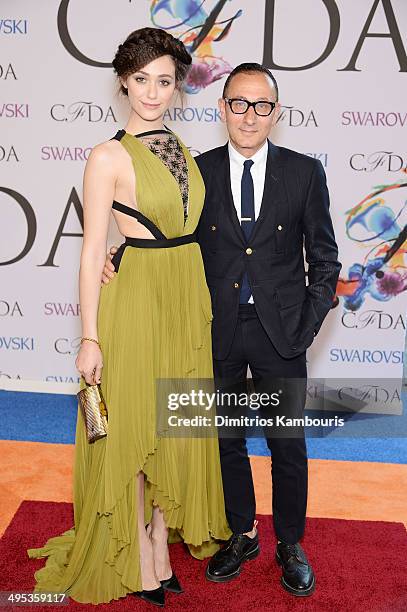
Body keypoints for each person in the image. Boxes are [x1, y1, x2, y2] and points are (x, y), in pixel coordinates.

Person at [103, 63, 341, 597]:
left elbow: (325, 260)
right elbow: (166, 229)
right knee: (224, 439)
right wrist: (120, 255)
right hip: (216, 327)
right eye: (239, 103)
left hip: (282, 332)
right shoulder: (198, 169)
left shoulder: (305, 172)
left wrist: (305, 327)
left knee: (287, 442)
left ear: (275, 112)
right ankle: (242, 532)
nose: (249, 115)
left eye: (261, 105)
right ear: (222, 108)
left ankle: (290, 543)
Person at [27, 27, 231, 607]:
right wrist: (89, 337)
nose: (152, 91)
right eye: (141, 79)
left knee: (172, 430)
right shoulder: (107, 155)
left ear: (178, 87)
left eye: (164, 81)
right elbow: (93, 251)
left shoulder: (182, 148)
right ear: (123, 80)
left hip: (185, 300)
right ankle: (137, 557)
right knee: (136, 426)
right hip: (136, 301)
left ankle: (161, 547)